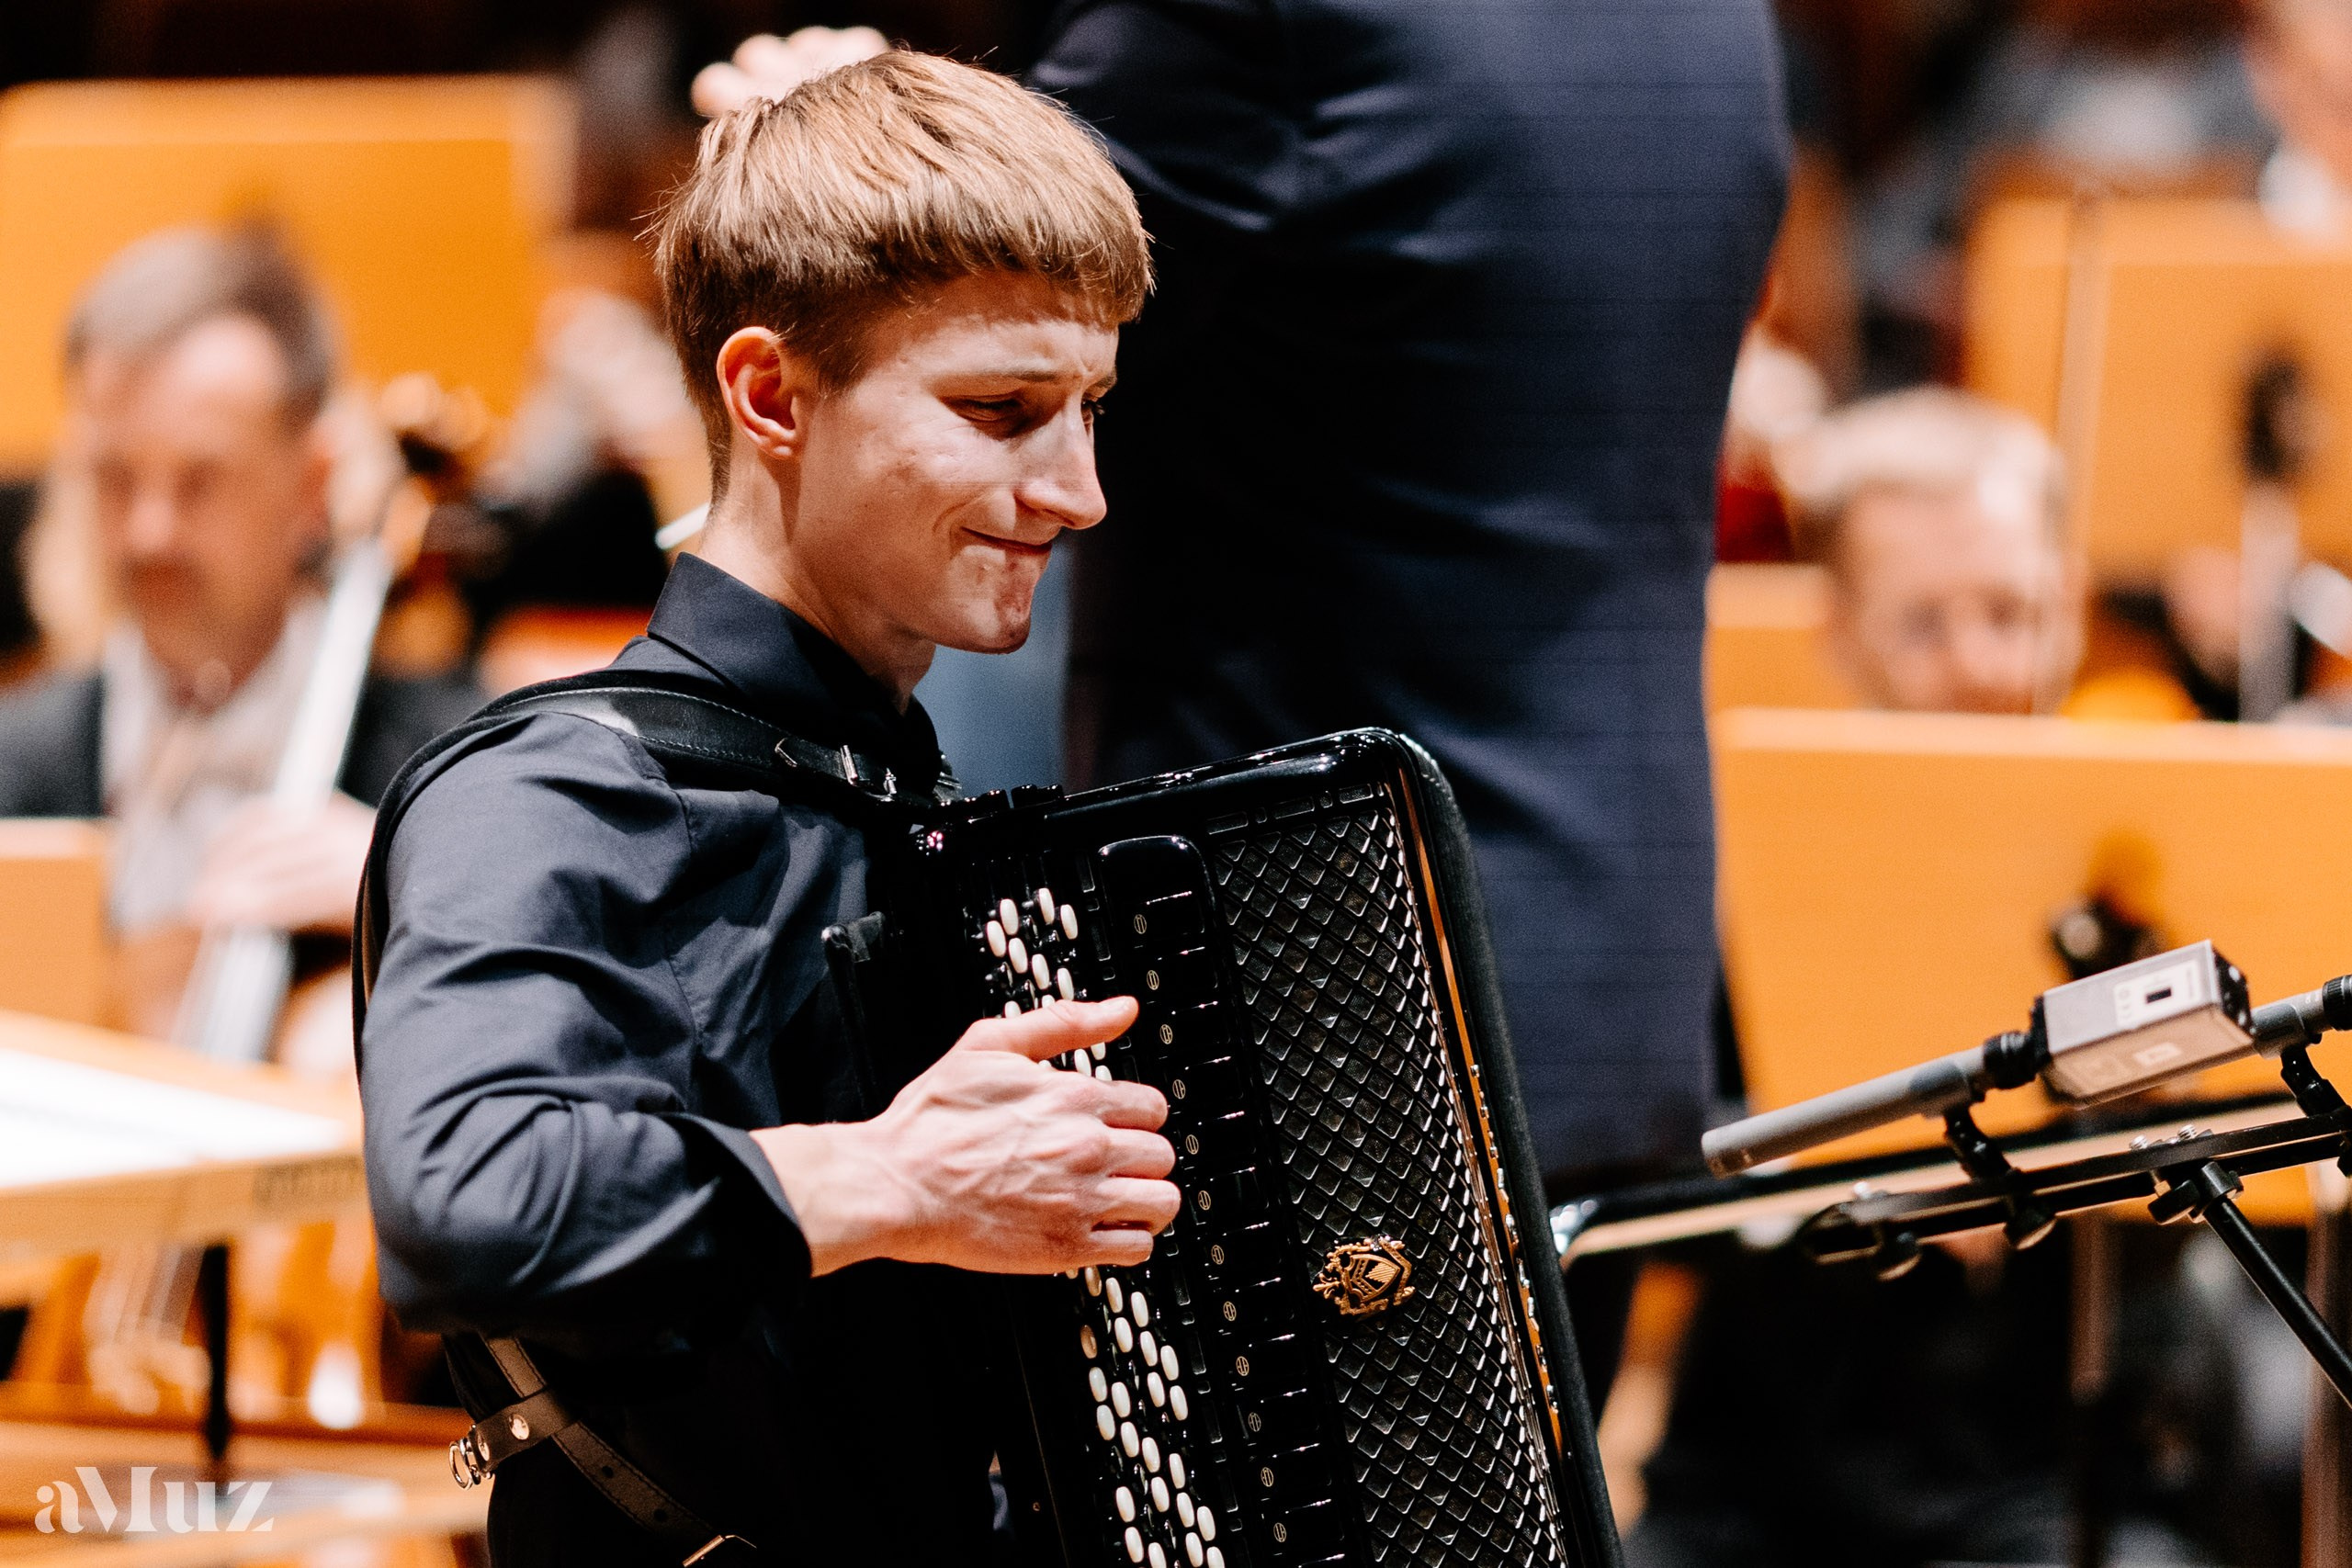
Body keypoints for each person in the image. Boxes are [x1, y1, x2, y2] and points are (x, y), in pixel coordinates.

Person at [358, 53, 1173, 1564]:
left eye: (1090, 411)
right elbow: (460, 1197)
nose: (1079, 491)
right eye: (1004, 410)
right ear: (768, 392)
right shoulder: (559, 792)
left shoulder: (906, 779)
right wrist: (897, 1178)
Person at [0, 226, 479, 1035]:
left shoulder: (457, 772)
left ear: (312, 483)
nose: (149, 532)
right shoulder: (13, 762)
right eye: (116, 478)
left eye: (201, 480)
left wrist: (427, 884)